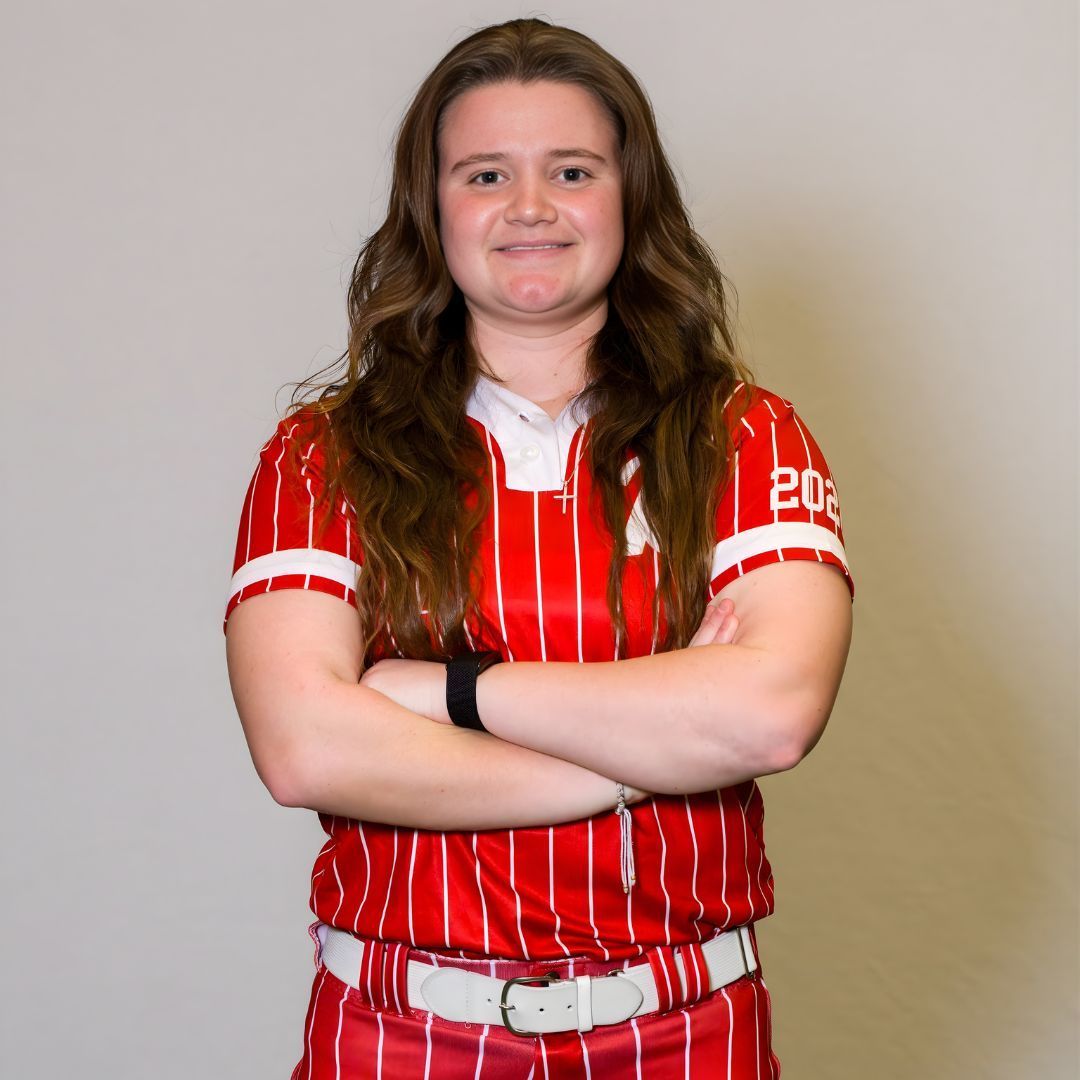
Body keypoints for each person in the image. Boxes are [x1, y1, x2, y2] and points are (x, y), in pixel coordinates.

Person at [224, 17, 853, 1079]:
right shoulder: (320, 453)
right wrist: (651, 756)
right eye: (484, 174)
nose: (529, 207)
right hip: (401, 1034)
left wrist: (450, 694)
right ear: (431, 209)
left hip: (688, 1031)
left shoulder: (745, 434)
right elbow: (305, 750)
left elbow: (770, 716)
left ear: (630, 197)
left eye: (571, 170)